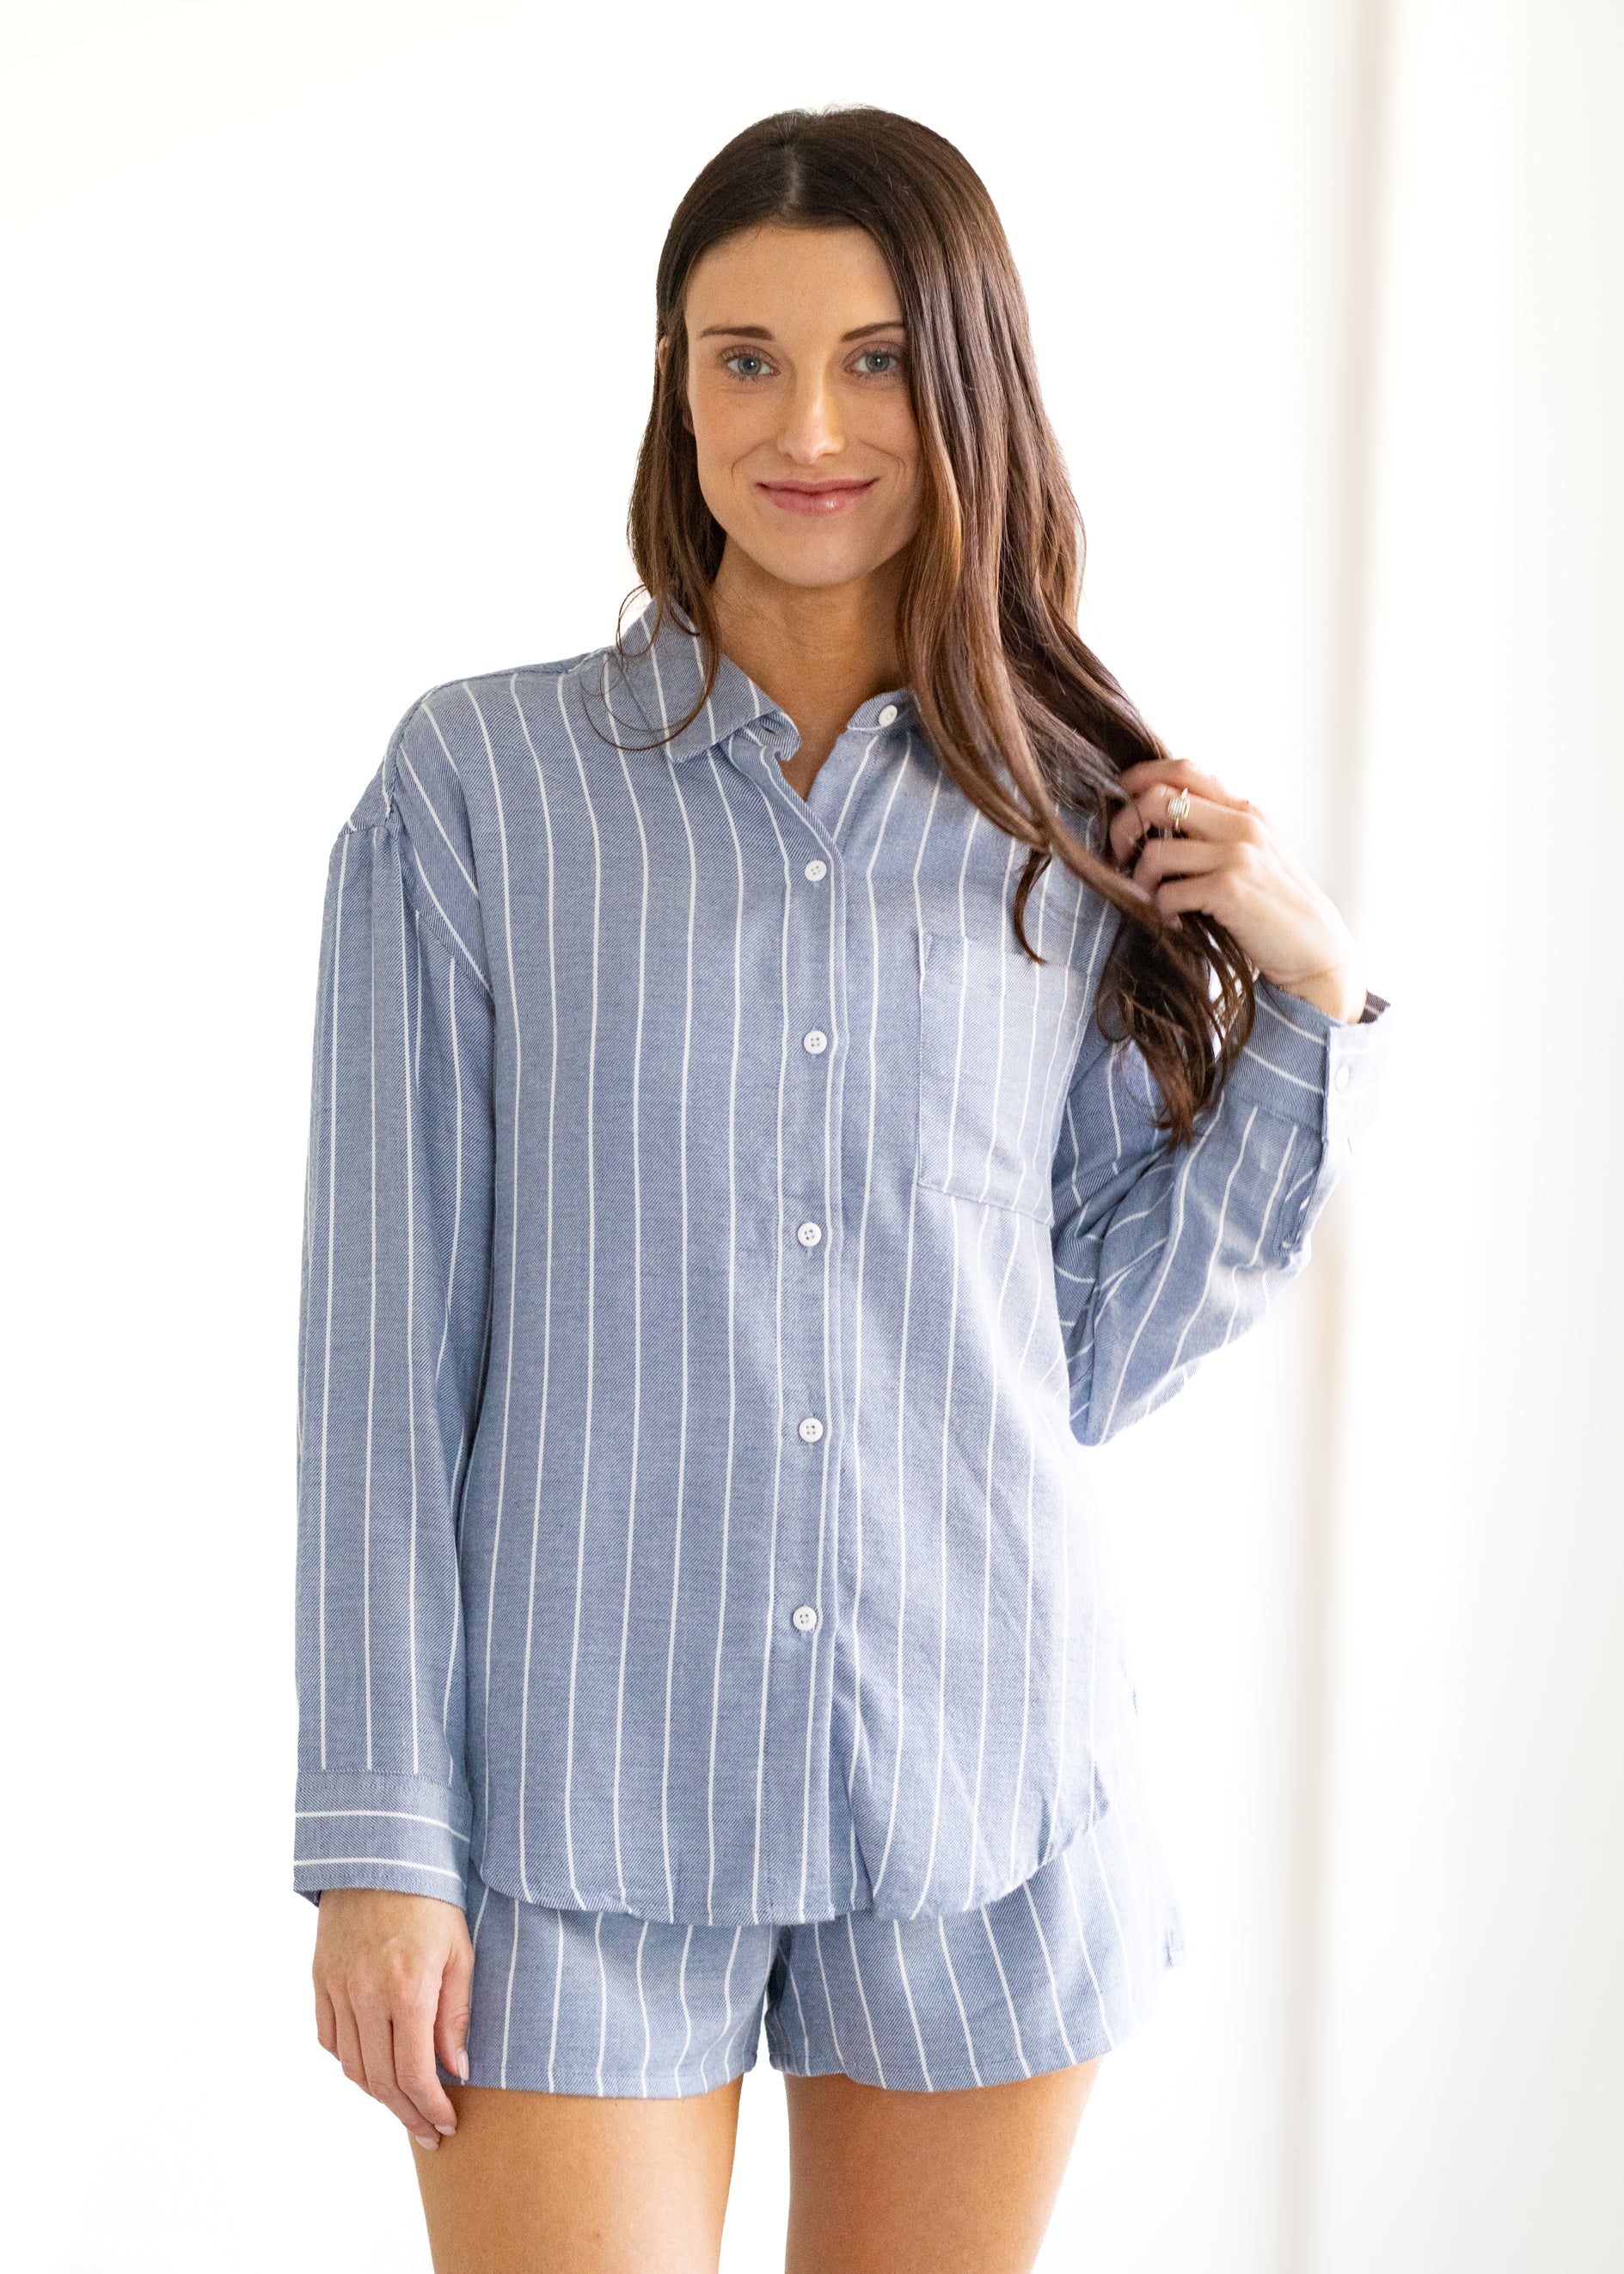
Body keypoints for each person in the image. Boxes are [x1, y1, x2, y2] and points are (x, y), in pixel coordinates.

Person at [292, 104, 1390, 2274]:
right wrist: (377, 1844)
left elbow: (1075, 1355)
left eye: (878, 359)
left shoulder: (1071, 817)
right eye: (743, 356)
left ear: (967, 382)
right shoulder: (476, 794)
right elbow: (380, 1361)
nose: (807, 423)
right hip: (568, 1818)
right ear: (673, 380)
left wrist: (1304, 1004)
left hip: (984, 1794)